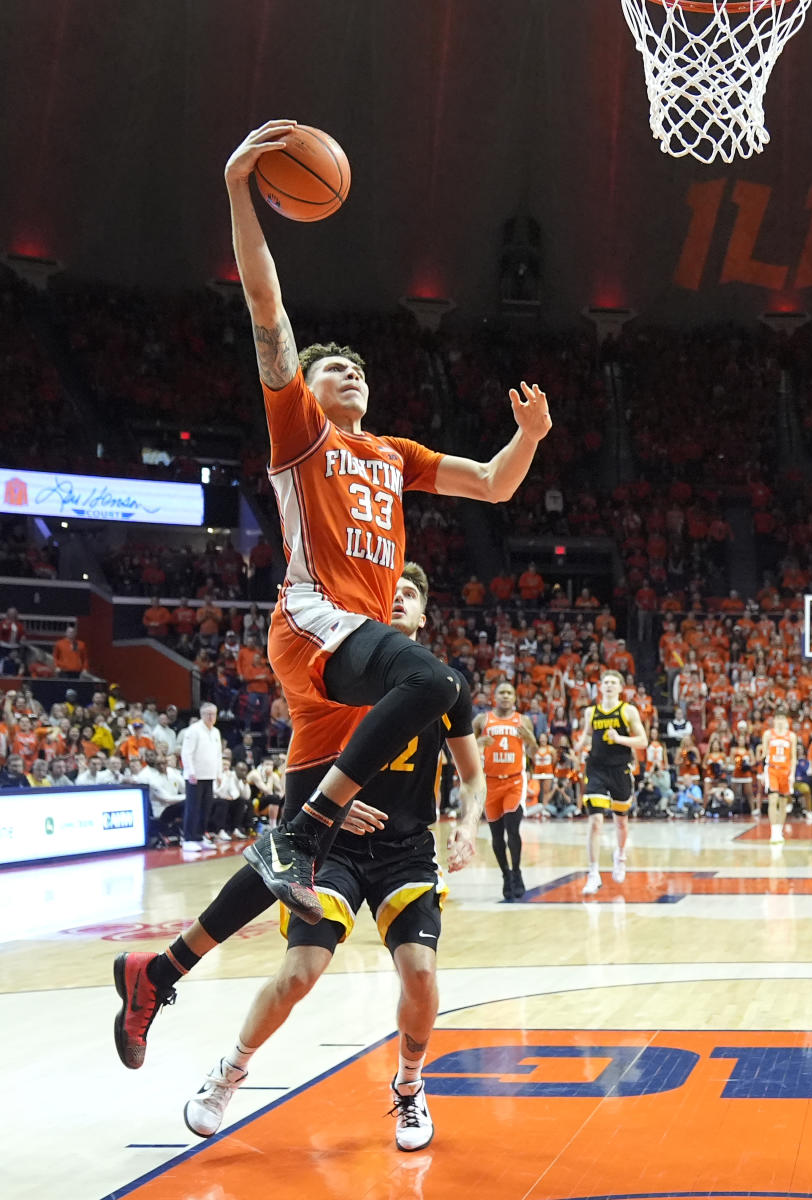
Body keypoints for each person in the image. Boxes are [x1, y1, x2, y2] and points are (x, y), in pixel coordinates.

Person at [222, 120, 550, 924]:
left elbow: (493, 486)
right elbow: (267, 307)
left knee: (307, 936)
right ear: (310, 382)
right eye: (338, 367)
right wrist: (240, 187)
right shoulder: (302, 429)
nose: (353, 374)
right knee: (436, 681)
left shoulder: (395, 453)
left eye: (361, 369)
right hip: (313, 620)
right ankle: (303, 829)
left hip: (359, 641)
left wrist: (531, 436)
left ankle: (167, 966)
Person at [111, 567, 478, 1077]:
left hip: (405, 847)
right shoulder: (346, 668)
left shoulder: (442, 684)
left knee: (416, 968)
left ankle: (157, 973)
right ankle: (224, 1066)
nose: (397, 600)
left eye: (410, 594)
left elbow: (472, 776)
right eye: (389, 592)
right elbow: (305, 765)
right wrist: (334, 806)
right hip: (335, 844)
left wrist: (469, 823)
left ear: (424, 615)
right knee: (299, 962)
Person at [574, 670, 647, 894]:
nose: (608, 685)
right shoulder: (591, 712)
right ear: (600, 687)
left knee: (620, 822)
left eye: (613, 682)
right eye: (605, 682)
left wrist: (619, 739)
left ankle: (620, 855)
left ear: (621, 688)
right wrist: (577, 750)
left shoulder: (628, 710)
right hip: (596, 768)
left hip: (620, 769)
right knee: (595, 821)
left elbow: (643, 741)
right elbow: (587, 735)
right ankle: (593, 873)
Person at [473, 681, 537, 900]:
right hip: (490, 783)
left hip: (514, 782)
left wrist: (531, 739)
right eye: (502, 692)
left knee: (513, 829)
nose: (506, 696)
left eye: (510, 692)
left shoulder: (523, 720)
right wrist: (478, 742)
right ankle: (506, 875)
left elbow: (534, 751)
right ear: (495, 696)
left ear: (515, 698)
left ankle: (517, 872)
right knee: (496, 835)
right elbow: (465, 748)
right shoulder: (482, 720)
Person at [180, 704, 223, 852]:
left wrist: (219, 774)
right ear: (201, 714)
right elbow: (186, 753)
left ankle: (199, 836)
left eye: (213, 714)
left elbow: (218, 755)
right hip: (195, 777)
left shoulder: (216, 732)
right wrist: (191, 772)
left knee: (206, 808)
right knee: (193, 808)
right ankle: (188, 839)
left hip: (209, 776)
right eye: (208, 714)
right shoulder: (194, 730)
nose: (211, 717)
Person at [761, 711, 798, 844]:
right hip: (772, 770)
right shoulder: (768, 734)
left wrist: (792, 774)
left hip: (786, 771)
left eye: (783, 718)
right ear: (774, 720)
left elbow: (793, 758)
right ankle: (773, 832)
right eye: (778, 718)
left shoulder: (791, 736)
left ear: (787, 720)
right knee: (773, 799)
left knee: (783, 802)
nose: (780, 721)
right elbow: (764, 755)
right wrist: (762, 773)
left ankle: (779, 831)